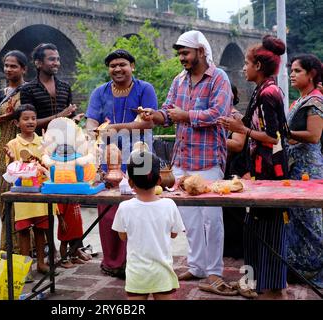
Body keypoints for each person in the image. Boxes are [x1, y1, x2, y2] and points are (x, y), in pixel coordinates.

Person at [143, 30, 234, 295]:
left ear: (201, 52)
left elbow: (219, 113)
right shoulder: (179, 80)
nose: (182, 58)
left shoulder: (219, 78)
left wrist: (185, 115)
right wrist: (155, 115)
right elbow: (168, 111)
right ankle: (197, 266)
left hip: (208, 159)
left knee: (212, 219)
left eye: (186, 53)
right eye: (179, 53)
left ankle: (214, 271)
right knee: (189, 217)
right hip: (182, 158)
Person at [219, 35, 289, 299]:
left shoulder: (270, 92)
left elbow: (275, 137)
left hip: (272, 174)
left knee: (269, 232)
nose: (243, 69)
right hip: (260, 172)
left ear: (258, 66)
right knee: (254, 231)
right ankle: (256, 284)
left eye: (246, 64)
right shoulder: (262, 90)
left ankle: (273, 289)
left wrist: (242, 129)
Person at [86, 49, 157, 279]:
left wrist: (116, 128)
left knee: (139, 211)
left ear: (132, 66)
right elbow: (92, 120)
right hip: (108, 160)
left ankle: (137, 262)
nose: (117, 69)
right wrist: (90, 136)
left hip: (139, 158)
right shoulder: (100, 92)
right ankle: (112, 262)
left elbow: (149, 124)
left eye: (122, 64)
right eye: (113, 65)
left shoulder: (145, 89)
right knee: (108, 212)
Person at [20, 43, 88, 261]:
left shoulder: (64, 86)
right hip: (41, 149)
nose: (56, 63)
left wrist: (72, 119)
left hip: (65, 150)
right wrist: (61, 115)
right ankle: (50, 250)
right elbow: (29, 121)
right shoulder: (28, 89)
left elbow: (66, 121)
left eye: (57, 59)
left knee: (70, 200)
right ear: (38, 63)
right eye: (51, 59)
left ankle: (72, 247)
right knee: (48, 203)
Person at [112, 151, 185, 300]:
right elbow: (174, 234)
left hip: (136, 273)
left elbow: (122, 236)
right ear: (159, 180)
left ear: (130, 182)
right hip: (162, 271)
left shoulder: (125, 207)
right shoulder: (169, 205)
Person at [286, 53, 323, 288]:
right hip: (295, 166)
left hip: (308, 168)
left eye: (297, 71)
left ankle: (318, 270)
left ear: (311, 75)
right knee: (296, 219)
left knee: (312, 221)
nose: (292, 74)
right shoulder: (300, 100)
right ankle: (302, 268)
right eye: (291, 70)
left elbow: (314, 135)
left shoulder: (316, 101)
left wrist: (286, 132)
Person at [3, 104, 50, 274]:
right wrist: (11, 159)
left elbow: (48, 165)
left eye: (33, 118)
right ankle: (25, 266)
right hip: (22, 195)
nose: (30, 122)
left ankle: (41, 263)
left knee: (40, 228)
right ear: (16, 123)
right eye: (26, 119)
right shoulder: (13, 144)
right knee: (23, 230)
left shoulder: (43, 142)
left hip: (40, 193)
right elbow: (11, 171)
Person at [0, 50, 28, 253]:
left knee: (27, 194)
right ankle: (9, 245)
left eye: (13, 66)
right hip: (4, 147)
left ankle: (28, 246)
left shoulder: (28, 91)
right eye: (6, 65)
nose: (8, 69)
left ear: (23, 69)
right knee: (7, 195)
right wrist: (6, 117)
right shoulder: (1, 94)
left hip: (25, 147)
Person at [222, 84, 246, 259]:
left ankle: (237, 249)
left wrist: (212, 139)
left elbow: (238, 144)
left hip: (234, 170)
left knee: (233, 212)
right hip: (221, 168)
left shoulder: (236, 117)